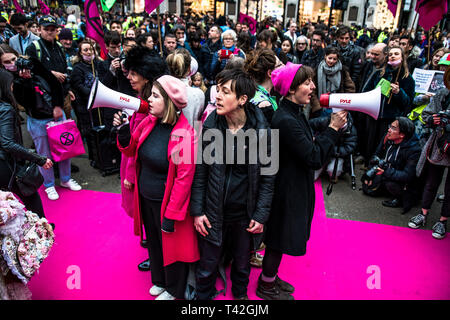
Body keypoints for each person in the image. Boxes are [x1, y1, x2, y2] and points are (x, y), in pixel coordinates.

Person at [258, 62, 347, 300]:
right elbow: (314, 157)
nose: (313, 86)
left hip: (293, 184)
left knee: (282, 235)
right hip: (287, 188)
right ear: (290, 89)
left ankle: (270, 278)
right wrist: (333, 129)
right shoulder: (286, 119)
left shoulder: (293, 112)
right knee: (279, 237)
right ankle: (266, 285)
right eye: (307, 82)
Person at [190, 68, 276, 300]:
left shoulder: (264, 132)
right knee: (206, 267)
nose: (216, 95)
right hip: (212, 212)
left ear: (242, 100)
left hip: (244, 216)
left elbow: (269, 179)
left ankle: (240, 298)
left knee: (241, 266)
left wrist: (260, 215)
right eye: (217, 90)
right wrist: (197, 212)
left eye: (225, 92)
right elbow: (200, 174)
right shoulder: (210, 125)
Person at [115, 75, 200, 300]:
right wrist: (124, 130)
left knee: (173, 246)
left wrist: (171, 214)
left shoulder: (186, 134)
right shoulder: (148, 122)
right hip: (146, 196)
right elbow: (132, 150)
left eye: (155, 95)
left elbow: (184, 179)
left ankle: (174, 289)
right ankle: (160, 280)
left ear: (170, 101)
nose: (149, 99)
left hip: (168, 203)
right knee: (153, 241)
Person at [120, 46, 167, 272]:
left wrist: (130, 174)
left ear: (146, 74)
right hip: (138, 165)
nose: (129, 77)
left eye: (133, 73)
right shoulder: (144, 98)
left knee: (149, 212)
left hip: (141, 167)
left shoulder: (153, 102)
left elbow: (140, 144)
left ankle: (158, 255)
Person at [11, 53, 82, 201]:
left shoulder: (39, 68)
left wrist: (57, 106)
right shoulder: (17, 82)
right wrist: (26, 81)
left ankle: (65, 179)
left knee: (65, 148)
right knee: (44, 154)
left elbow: (56, 85)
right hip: (38, 120)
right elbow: (25, 102)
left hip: (56, 115)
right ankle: (48, 184)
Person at [0, 69, 53, 219]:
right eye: (10, 84)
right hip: (7, 164)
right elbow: (8, 143)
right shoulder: (5, 109)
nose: (12, 87)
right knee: (31, 197)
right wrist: (39, 159)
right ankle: (42, 230)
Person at [409, 57, 450, 239]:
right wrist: (433, 119)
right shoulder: (442, 93)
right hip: (438, 144)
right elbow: (426, 114)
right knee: (432, 180)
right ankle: (423, 213)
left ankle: (442, 220)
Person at [361, 46, 415, 168]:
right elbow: (367, 91)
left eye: (396, 54)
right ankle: (368, 165)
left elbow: (408, 103)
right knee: (370, 142)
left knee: (383, 144)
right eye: (390, 54)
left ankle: (380, 168)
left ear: (402, 58)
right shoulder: (380, 74)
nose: (393, 56)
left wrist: (399, 93)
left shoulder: (407, 79)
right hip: (374, 114)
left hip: (390, 118)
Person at [361, 117, 421, 213]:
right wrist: (370, 174)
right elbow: (376, 156)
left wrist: (385, 171)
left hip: (405, 183)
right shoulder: (388, 138)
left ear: (402, 135)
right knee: (367, 188)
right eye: (390, 126)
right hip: (389, 172)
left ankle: (400, 198)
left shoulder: (414, 150)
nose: (389, 130)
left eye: (393, 128)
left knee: (390, 184)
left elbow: (408, 176)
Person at [25, 15, 75, 120]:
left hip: (63, 95)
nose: (49, 32)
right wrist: (51, 74)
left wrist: (68, 89)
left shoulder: (59, 47)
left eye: (52, 30)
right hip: (46, 99)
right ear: (39, 30)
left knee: (65, 129)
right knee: (50, 131)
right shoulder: (33, 48)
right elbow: (31, 72)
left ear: (57, 31)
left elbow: (64, 69)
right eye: (46, 29)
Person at [310, 46, 355, 118]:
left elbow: (350, 88)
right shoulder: (317, 70)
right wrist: (317, 106)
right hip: (322, 106)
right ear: (325, 56)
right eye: (330, 58)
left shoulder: (342, 71)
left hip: (338, 106)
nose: (331, 61)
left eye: (334, 59)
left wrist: (345, 104)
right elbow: (312, 90)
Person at [70, 40, 102, 140]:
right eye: (85, 50)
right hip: (85, 104)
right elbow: (78, 85)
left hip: (100, 102)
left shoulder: (99, 64)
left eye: (91, 49)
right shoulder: (77, 68)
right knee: (89, 131)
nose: (89, 52)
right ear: (80, 53)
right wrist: (93, 94)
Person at [245, 48, 278, 123]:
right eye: (279, 65)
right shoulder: (264, 104)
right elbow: (271, 133)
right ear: (270, 73)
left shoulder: (251, 91)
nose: (284, 67)